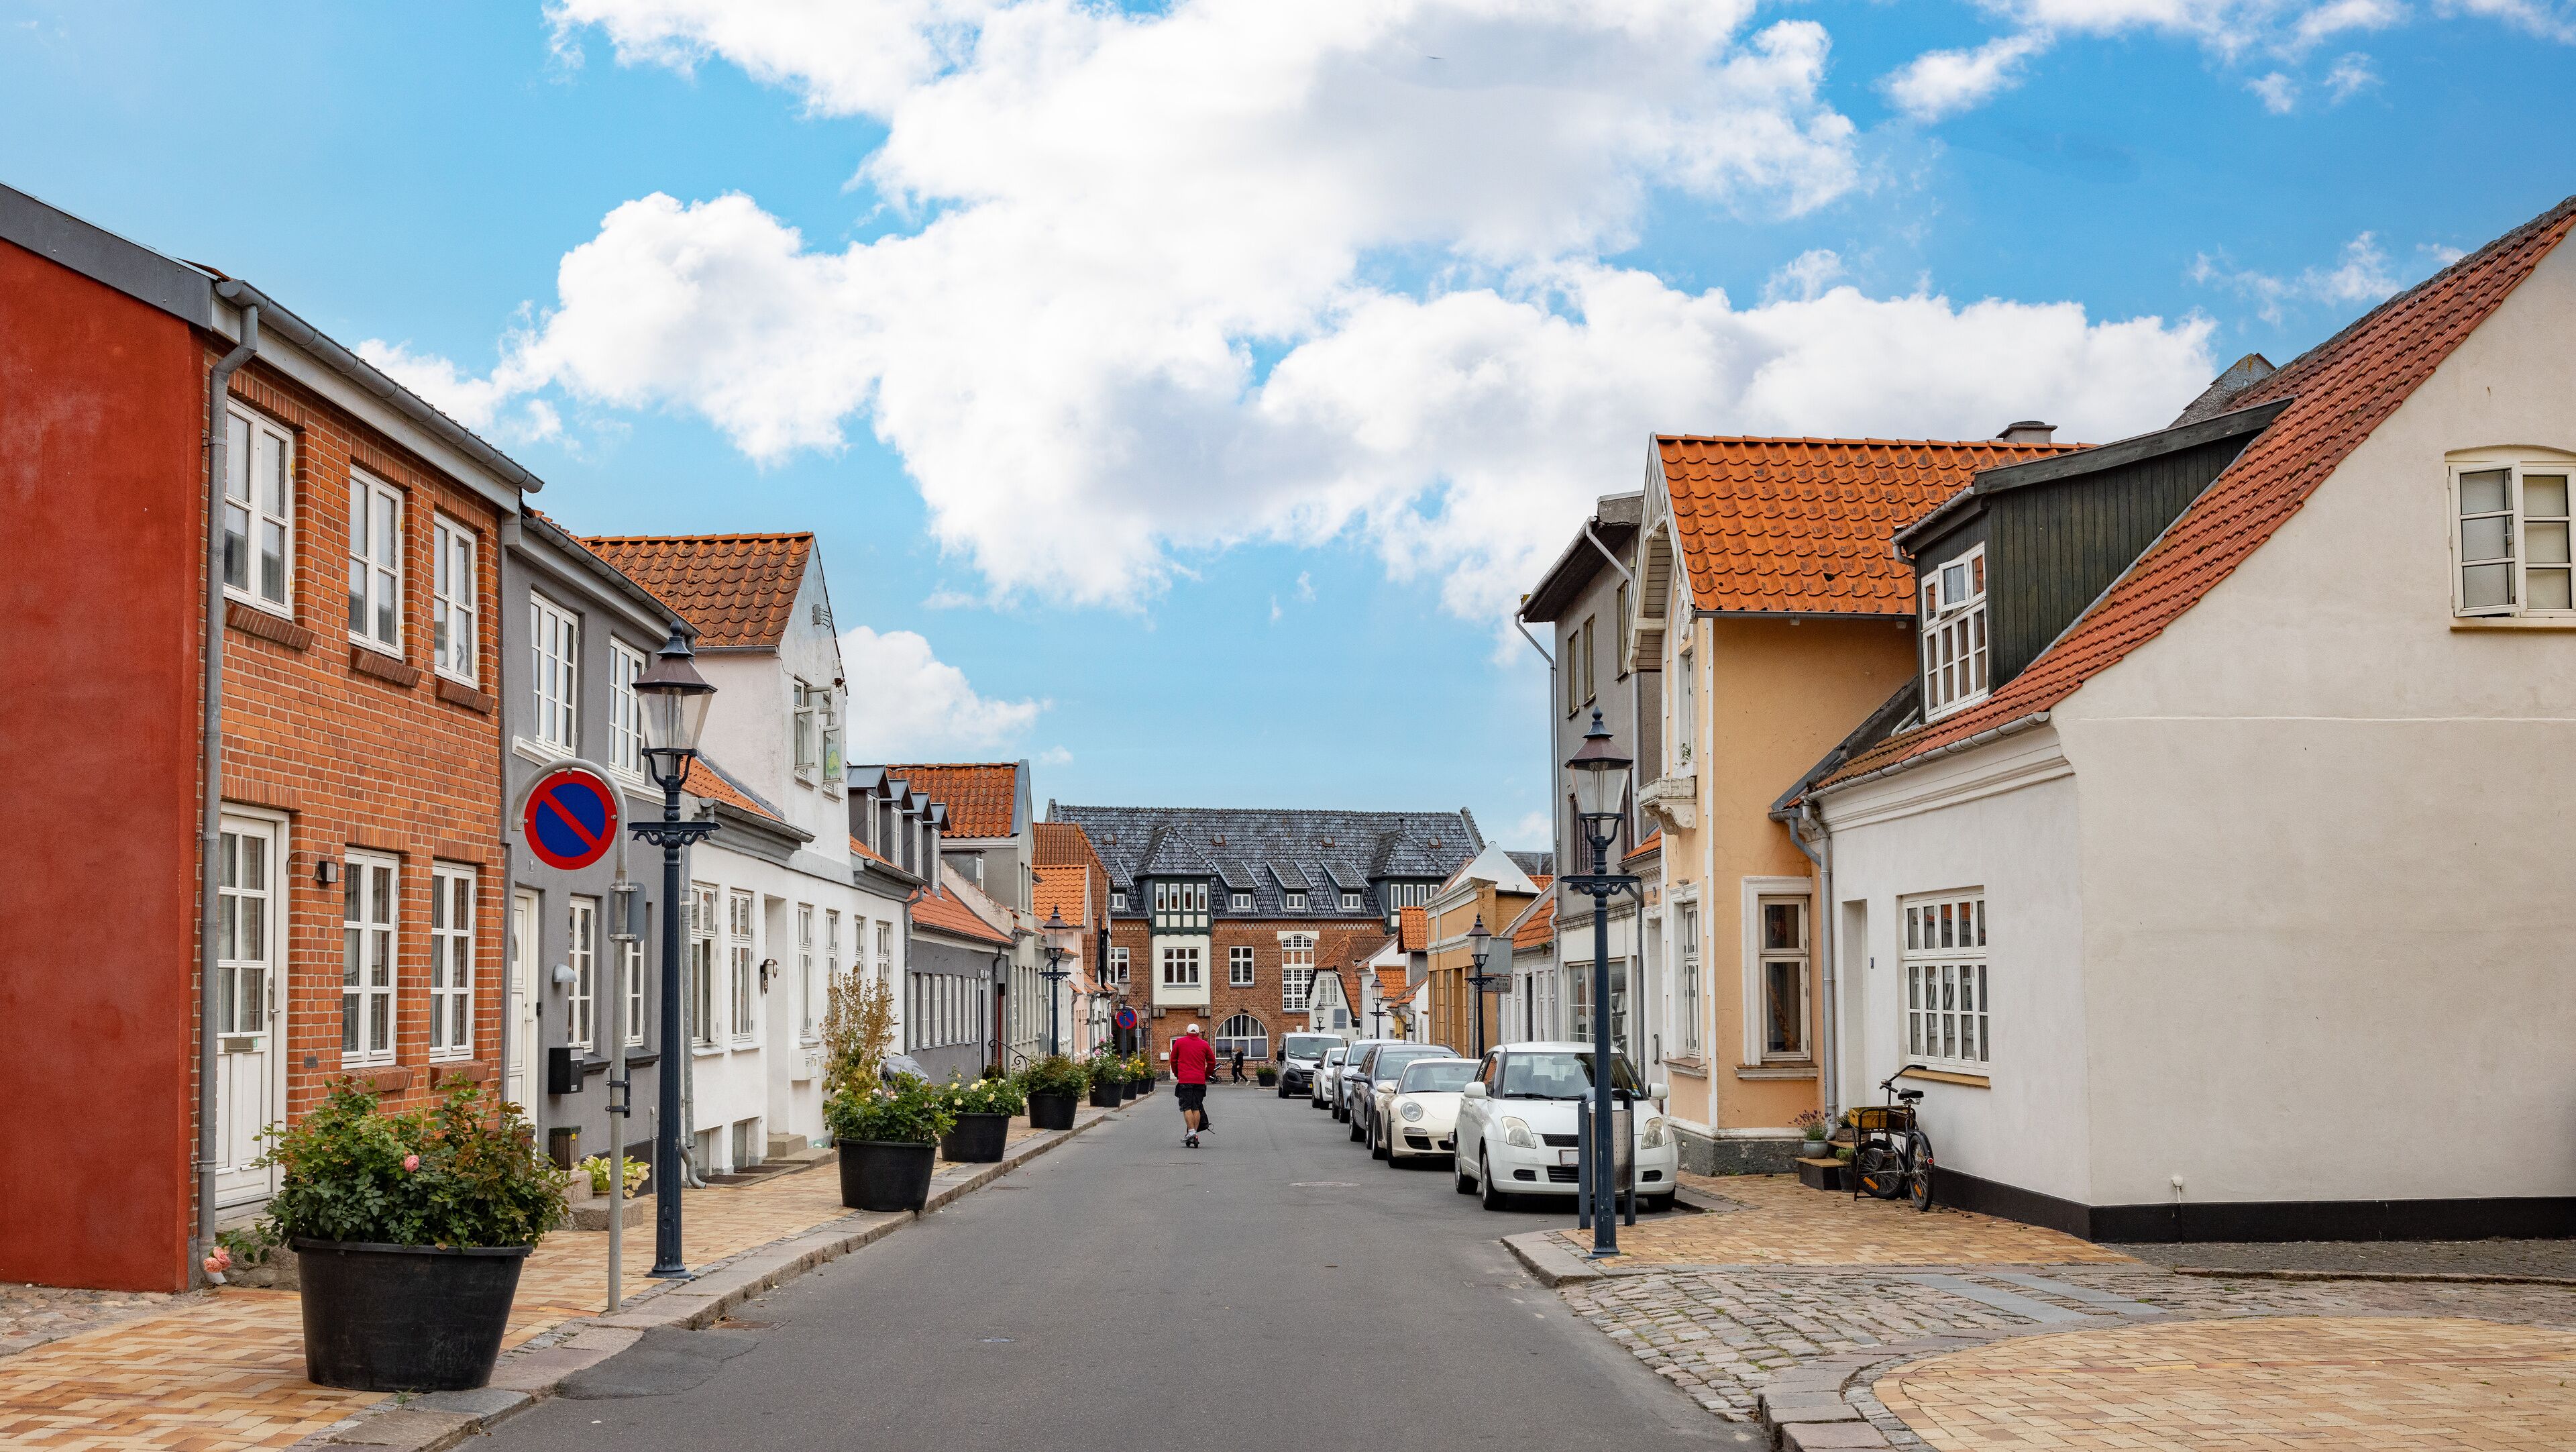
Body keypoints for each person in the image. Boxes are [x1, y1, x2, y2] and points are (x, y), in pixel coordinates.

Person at [1171, 1025, 1217, 1147]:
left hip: (1185, 1079)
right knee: (1196, 1107)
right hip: (1199, 1080)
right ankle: (1194, 1134)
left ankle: (1191, 1132)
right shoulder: (1204, 1044)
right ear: (1198, 1033)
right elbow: (1212, 1061)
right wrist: (1206, 1074)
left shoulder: (1179, 1043)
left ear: (1187, 1032)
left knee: (1186, 1107)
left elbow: (1173, 1060)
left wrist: (1177, 1073)